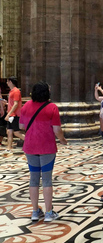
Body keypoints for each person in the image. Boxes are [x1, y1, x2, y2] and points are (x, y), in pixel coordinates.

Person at [20, 81, 67, 222]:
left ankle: (35, 211)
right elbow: (57, 130)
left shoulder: (26, 106)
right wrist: (62, 140)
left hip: (30, 146)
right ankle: (48, 212)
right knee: (46, 179)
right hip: (46, 147)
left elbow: (22, 125)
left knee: (33, 179)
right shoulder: (52, 107)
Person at [5, 76, 25, 150]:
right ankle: (9, 147)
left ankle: (31, 142)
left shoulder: (16, 91)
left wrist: (8, 114)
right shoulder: (12, 91)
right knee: (9, 131)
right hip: (12, 114)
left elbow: (16, 104)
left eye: (7, 81)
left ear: (10, 82)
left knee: (16, 132)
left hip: (14, 115)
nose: (7, 83)